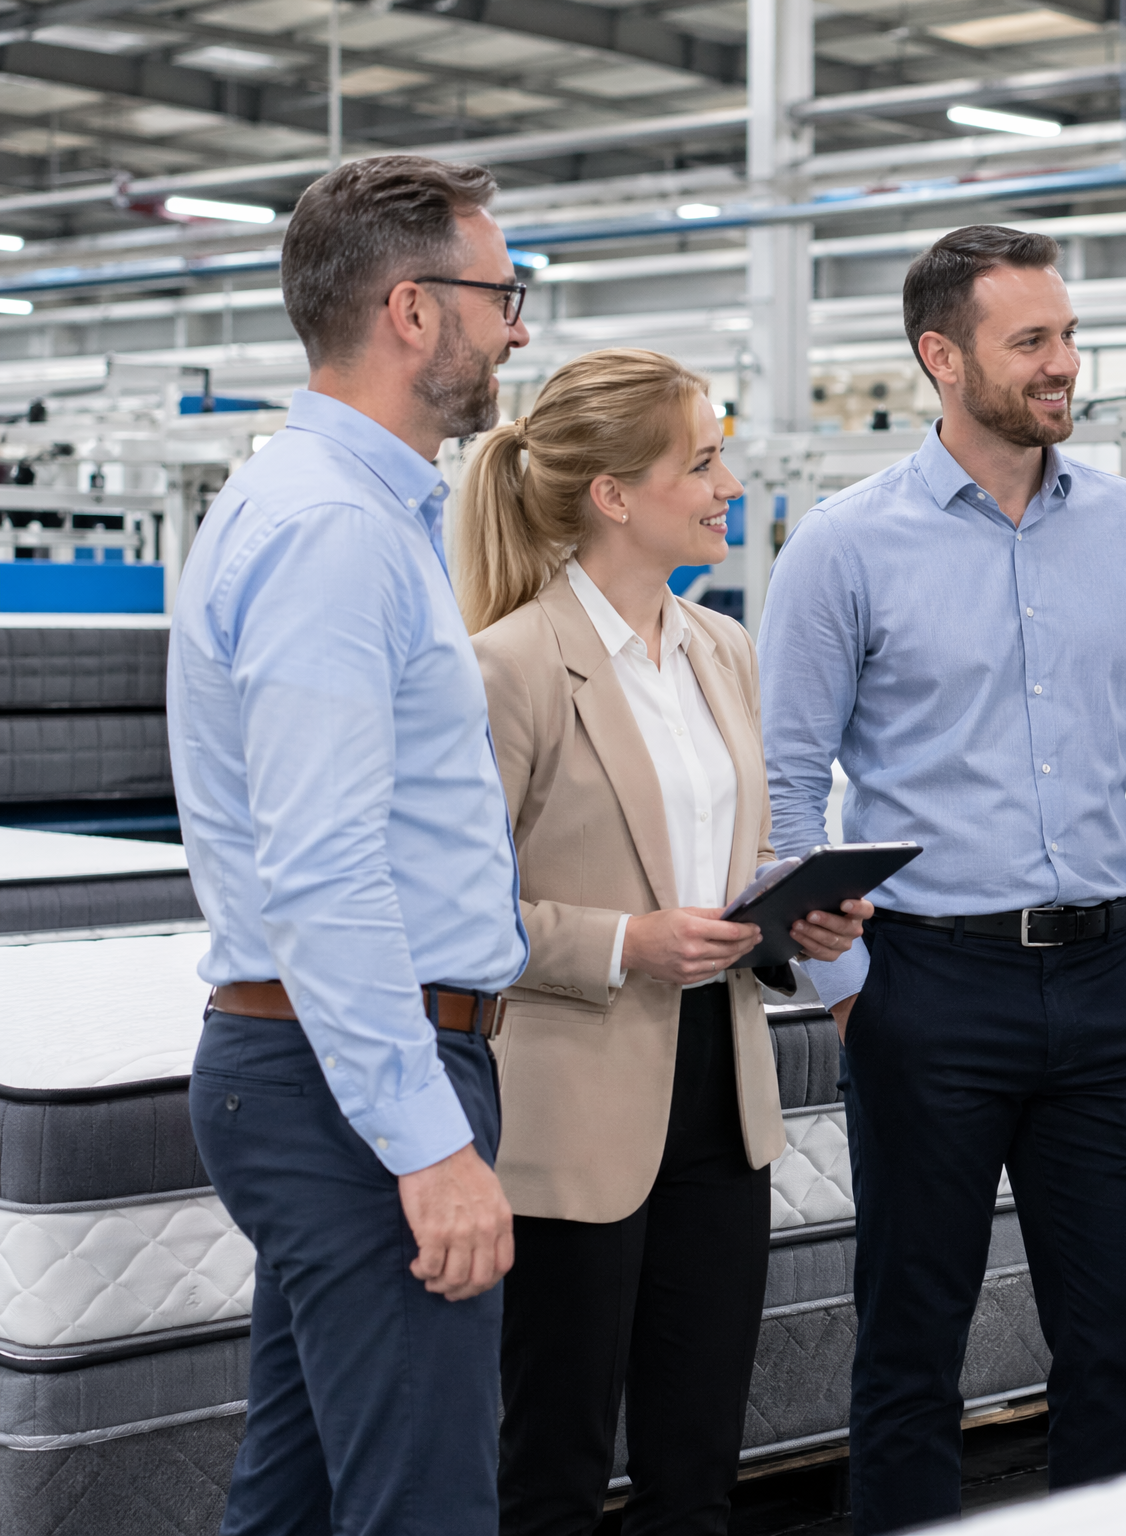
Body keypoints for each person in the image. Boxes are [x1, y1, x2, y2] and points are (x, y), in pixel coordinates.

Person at [758, 225, 1126, 1535]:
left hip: (1114, 982)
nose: (1063, 363)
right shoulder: (845, 546)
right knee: (911, 1351)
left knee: (1119, 1352)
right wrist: (852, 987)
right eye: (1030, 341)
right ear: (942, 357)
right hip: (927, 991)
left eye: (1068, 335)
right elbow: (784, 779)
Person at [166, 154, 532, 1534]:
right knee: (420, 1508)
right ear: (413, 310)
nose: (515, 331)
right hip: (354, 1084)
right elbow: (322, 867)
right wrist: (425, 1144)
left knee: (301, 1501)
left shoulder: (352, 512)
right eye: (502, 296)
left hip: (335, 1071)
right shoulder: (331, 531)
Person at [460, 348, 871, 1536]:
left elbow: (735, 860)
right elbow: (456, 912)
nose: (727, 484)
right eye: (701, 463)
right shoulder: (509, 666)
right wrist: (620, 943)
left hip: (721, 1095)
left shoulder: (719, 648)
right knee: (552, 1469)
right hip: (570, 1105)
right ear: (613, 495)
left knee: (696, 1472)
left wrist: (792, 917)